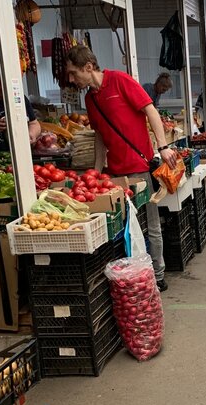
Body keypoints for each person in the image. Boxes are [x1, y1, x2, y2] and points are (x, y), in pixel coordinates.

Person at [65, 45, 180, 293]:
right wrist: (96, 172)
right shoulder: (90, 99)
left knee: (150, 225)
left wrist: (163, 147)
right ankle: (132, 276)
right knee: (123, 229)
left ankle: (158, 275)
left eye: (74, 73)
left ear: (88, 67)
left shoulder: (120, 81)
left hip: (139, 169)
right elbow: (99, 136)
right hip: (115, 175)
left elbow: (151, 110)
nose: (71, 79)